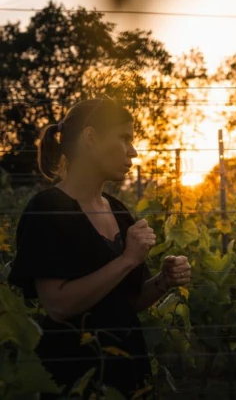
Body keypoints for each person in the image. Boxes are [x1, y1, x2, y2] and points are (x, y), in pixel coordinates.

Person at [8, 99, 191, 399]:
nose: (133, 151)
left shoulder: (117, 210)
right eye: (124, 138)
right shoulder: (46, 210)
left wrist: (162, 282)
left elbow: (126, 301)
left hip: (128, 371)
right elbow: (58, 305)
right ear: (91, 138)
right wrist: (128, 259)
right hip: (75, 376)